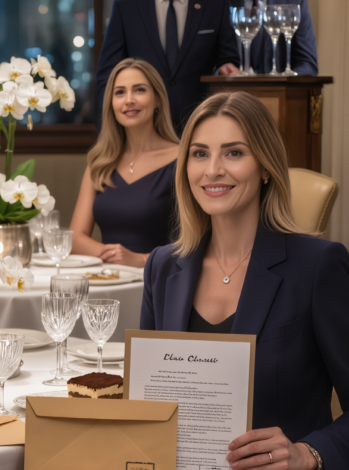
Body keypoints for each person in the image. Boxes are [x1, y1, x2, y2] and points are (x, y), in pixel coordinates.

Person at [141, 91, 349, 468]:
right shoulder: (162, 267)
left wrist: (309, 454)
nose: (213, 170)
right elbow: (148, 407)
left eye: (234, 153)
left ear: (266, 166)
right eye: (200, 153)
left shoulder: (318, 266)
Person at [71, 59, 179, 268]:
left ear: (157, 99)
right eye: (120, 92)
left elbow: (195, 243)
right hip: (109, 281)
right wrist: (114, 255)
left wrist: (139, 260)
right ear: (111, 103)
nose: (129, 100)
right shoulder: (100, 162)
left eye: (139, 90)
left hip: (161, 282)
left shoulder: (182, 159)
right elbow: (75, 238)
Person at [95, 0, 240, 132]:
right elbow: (108, 74)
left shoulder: (216, 4)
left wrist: (226, 66)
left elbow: (228, 58)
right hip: (145, 130)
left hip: (199, 125)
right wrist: (108, 131)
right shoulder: (126, 4)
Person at [247, 0, 318, 76]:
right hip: (239, 86)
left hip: (284, 86)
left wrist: (285, 79)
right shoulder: (233, 3)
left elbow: (308, 64)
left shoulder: (295, 2)